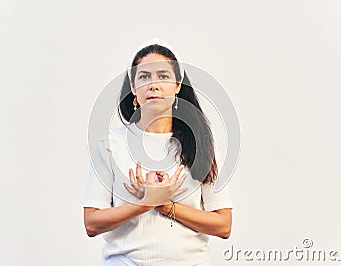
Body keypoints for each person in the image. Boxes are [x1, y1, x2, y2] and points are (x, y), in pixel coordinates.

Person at [83, 38, 233, 266]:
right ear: (133, 87)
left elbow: (223, 225)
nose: (153, 85)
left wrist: (165, 206)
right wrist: (145, 203)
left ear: (177, 85)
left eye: (163, 76)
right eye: (144, 77)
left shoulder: (201, 144)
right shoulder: (111, 145)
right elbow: (92, 223)